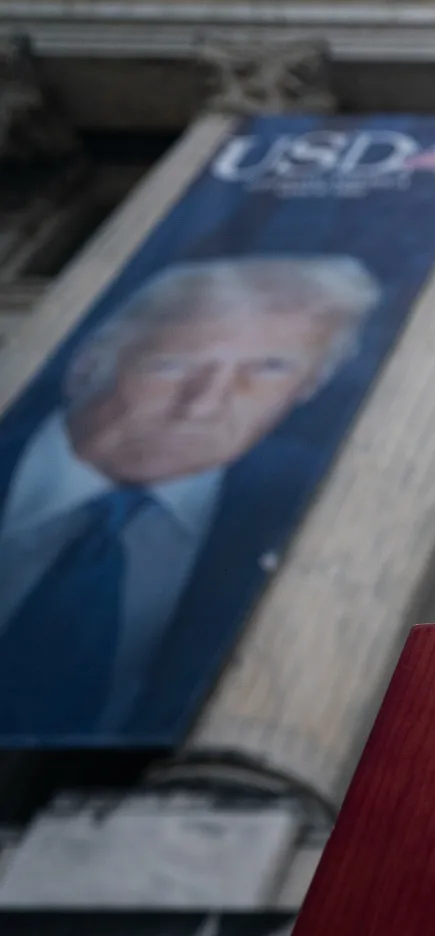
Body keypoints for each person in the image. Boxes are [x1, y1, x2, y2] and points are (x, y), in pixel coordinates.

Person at [0, 255, 380, 742]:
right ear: (87, 364)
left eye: (269, 369)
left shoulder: (322, 513)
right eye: (171, 365)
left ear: (308, 389)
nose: (201, 405)